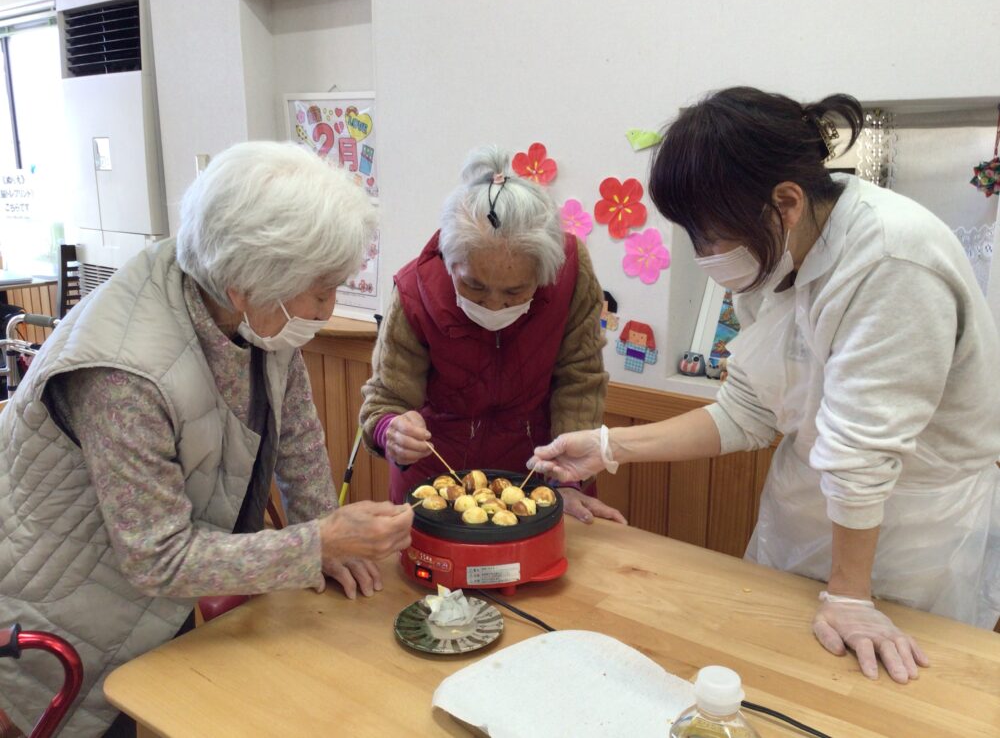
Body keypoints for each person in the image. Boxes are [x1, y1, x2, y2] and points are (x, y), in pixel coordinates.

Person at [528, 87, 1000, 684]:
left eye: (710, 235)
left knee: (876, 694)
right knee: (763, 677)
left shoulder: (891, 259)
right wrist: (608, 446)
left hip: (910, 539)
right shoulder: (774, 264)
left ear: (786, 202)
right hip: (801, 515)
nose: (705, 254)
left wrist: (852, 596)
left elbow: (862, 451)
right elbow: (747, 411)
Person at [0, 141, 414, 736]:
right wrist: (317, 543)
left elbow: (297, 438)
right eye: (322, 291)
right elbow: (159, 558)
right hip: (64, 622)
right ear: (247, 282)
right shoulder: (124, 374)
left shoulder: (248, 308)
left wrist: (333, 539)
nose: (328, 310)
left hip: (153, 607)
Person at [360, 146, 625, 525]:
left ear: (545, 274)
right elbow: (385, 399)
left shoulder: (570, 273)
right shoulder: (415, 289)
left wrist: (569, 479)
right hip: (438, 474)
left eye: (516, 292)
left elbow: (580, 379)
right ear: (448, 261)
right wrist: (392, 431)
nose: (496, 305)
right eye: (474, 287)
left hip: (543, 468)